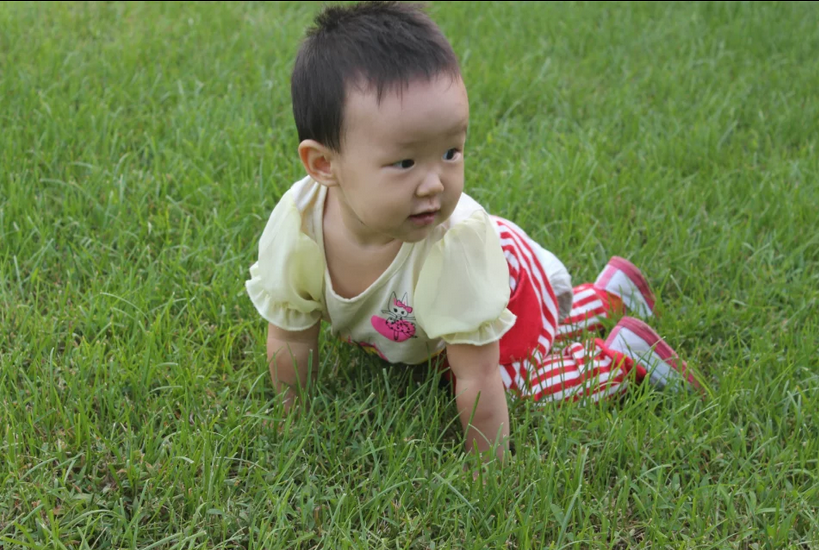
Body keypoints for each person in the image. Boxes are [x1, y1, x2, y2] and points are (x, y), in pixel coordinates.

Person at [245, 1, 700, 464]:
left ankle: (619, 359)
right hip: (463, 279)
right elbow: (290, 338)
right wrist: (291, 419)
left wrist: (489, 476)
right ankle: (609, 295)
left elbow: (478, 377)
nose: (434, 183)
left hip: (505, 277)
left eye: (451, 152)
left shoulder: (452, 244)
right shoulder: (299, 227)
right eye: (404, 163)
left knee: (513, 382)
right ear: (324, 165)